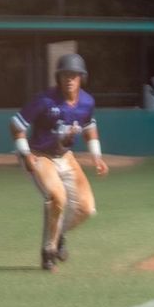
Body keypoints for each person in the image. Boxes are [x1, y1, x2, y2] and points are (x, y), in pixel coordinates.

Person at [10, 54, 108, 271]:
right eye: (65, 75)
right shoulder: (44, 100)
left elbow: (89, 128)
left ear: (82, 77)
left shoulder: (86, 102)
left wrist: (96, 156)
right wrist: (25, 154)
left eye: (74, 75)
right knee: (57, 198)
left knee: (87, 209)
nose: (69, 79)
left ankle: (58, 233)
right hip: (39, 154)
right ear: (58, 77)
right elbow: (16, 125)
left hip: (64, 155)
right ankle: (49, 251)